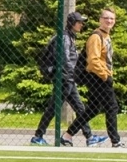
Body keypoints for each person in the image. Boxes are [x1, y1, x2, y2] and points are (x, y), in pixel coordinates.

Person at [65, 8, 124, 148]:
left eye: (112, 19)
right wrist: (106, 76)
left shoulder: (106, 36)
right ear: (100, 20)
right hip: (97, 77)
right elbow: (93, 61)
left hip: (101, 76)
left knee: (93, 108)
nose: (109, 21)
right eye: (106, 18)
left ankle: (67, 135)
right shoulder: (96, 37)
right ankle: (115, 141)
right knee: (112, 107)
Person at [30, 11, 88, 145]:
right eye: (79, 22)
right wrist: (73, 75)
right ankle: (38, 136)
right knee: (54, 108)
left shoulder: (69, 37)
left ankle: (89, 136)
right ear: (72, 23)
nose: (81, 25)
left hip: (68, 79)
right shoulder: (65, 38)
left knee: (79, 108)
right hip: (65, 79)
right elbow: (64, 59)